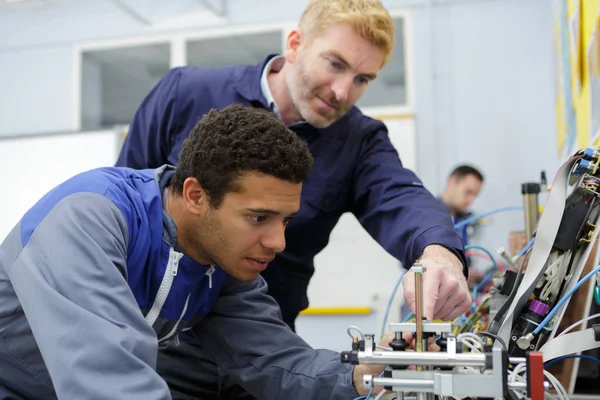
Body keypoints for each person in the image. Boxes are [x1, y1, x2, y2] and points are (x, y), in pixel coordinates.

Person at [117, 0, 471, 331]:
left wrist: (440, 253)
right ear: (295, 44)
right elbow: (126, 201)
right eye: (335, 64)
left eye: (362, 79)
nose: (343, 92)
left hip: (264, 350)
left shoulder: (358, 140)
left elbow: (400, 198)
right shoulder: (186, 93)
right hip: (165, 335)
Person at [0, 105, 392, 399]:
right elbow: (110, 381)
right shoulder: (90, 218)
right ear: (196, 195)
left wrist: (364, 373)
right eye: (259, 218)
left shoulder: (218, 262)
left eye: (285, 221)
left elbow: (276, 361)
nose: (278, 242)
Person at [439, 164, 485, 285]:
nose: (471, 200)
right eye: (468, 192)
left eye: (475, 195)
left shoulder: (463, 220)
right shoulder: (427, 214)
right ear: (452, 182)